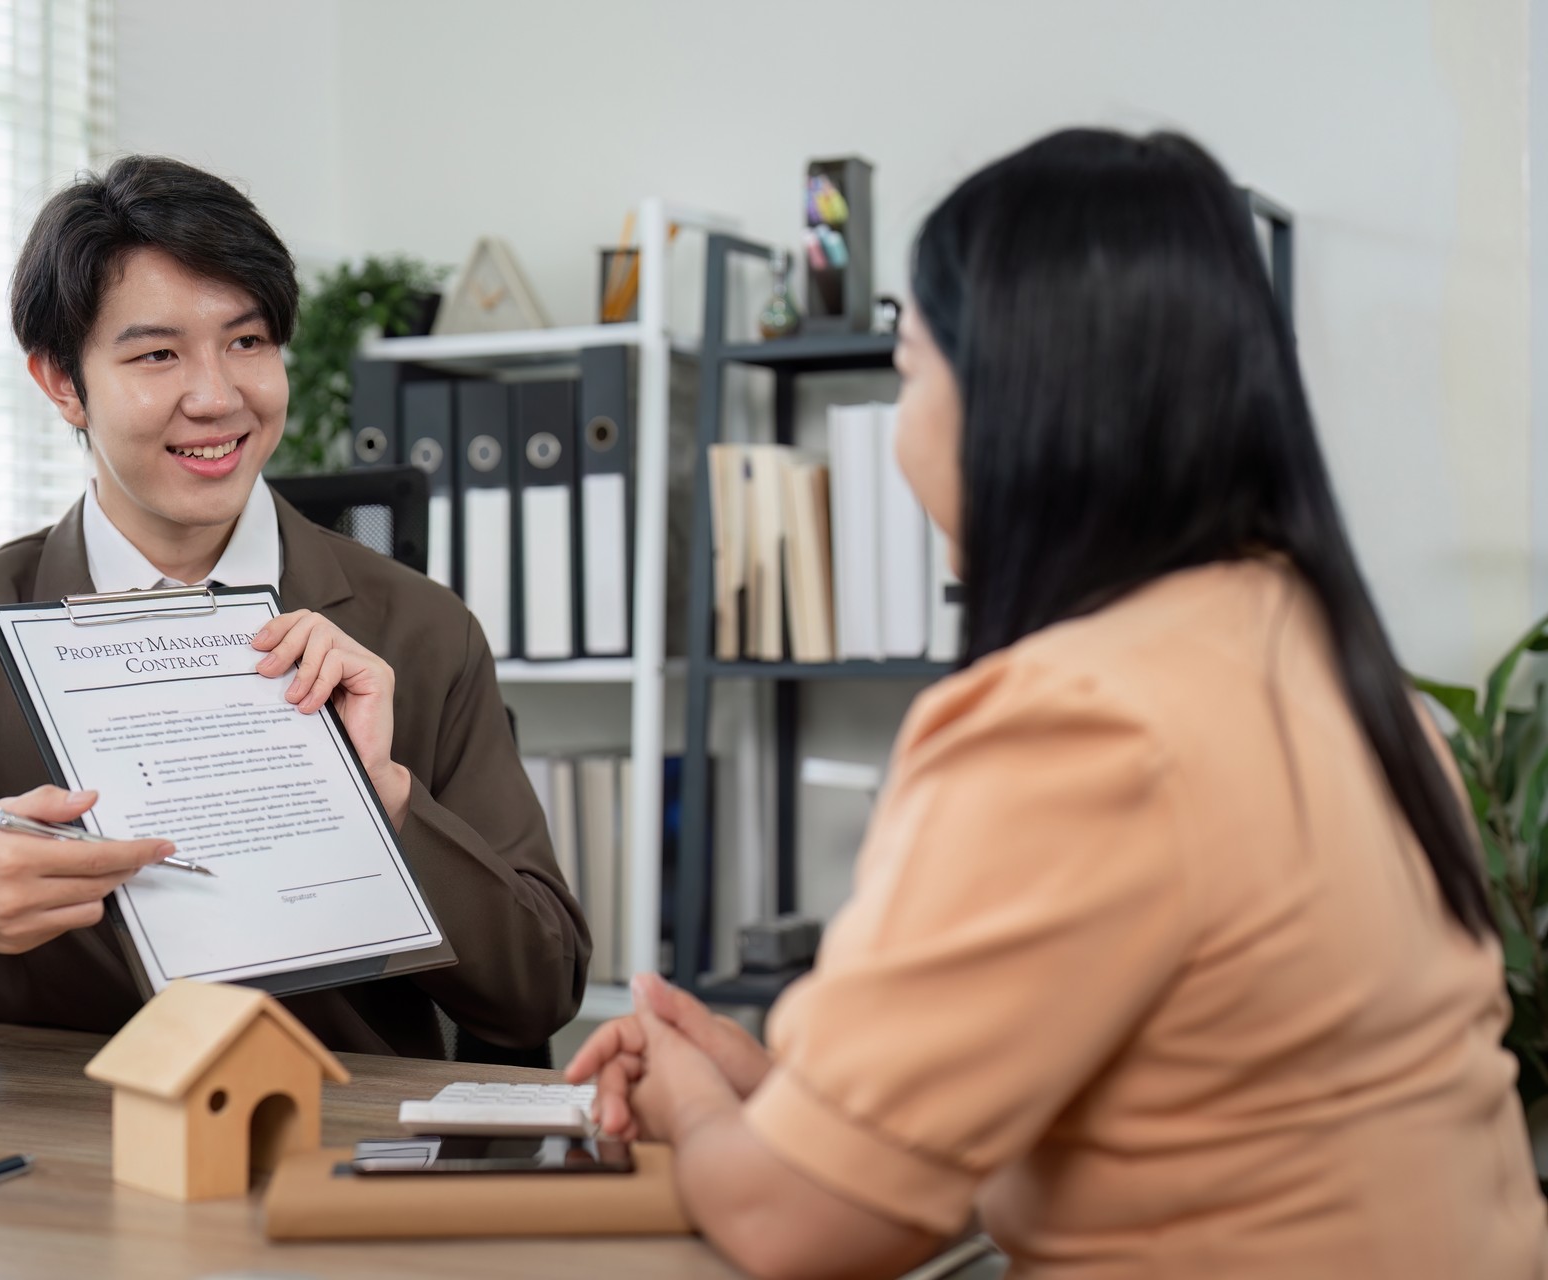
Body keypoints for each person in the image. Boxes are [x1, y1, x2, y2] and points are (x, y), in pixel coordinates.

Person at [568, 130, 1547, 1279]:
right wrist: (788, 1098)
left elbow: (805, 1224)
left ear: (1021, 403)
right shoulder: (1344, 676)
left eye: (910, 367)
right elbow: (1167, 1112)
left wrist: (692, 1104)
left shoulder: (1076, 721)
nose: (900, 426)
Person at [0, 155, 588, 1065]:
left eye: (249, 342)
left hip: (338, 1146)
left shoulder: (419, 629)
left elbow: (538, 992)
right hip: (62, 1153)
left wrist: (382, 797)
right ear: (61, 383)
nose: (218, 396)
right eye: (157, 354)